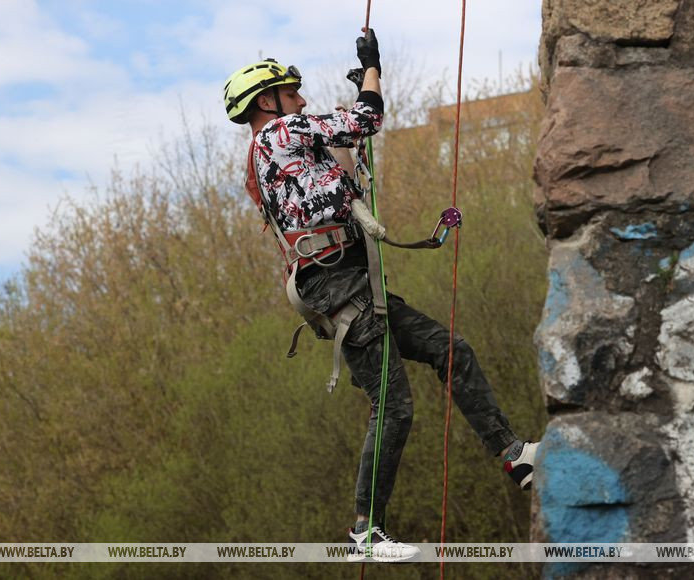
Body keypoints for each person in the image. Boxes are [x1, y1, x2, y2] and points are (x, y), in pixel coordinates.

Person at [223, 29, 537, 562]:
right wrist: (372, 69)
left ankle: (514, 454)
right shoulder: (277, 134)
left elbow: (347, 161)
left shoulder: (288, 146)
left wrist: (357, 107)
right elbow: (367, 117)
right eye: (293, 93)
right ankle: (366, 531)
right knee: (392, 405)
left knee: (450, 349)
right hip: (337, 286)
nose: (302, 100)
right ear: (267, 102)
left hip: (353, 281)